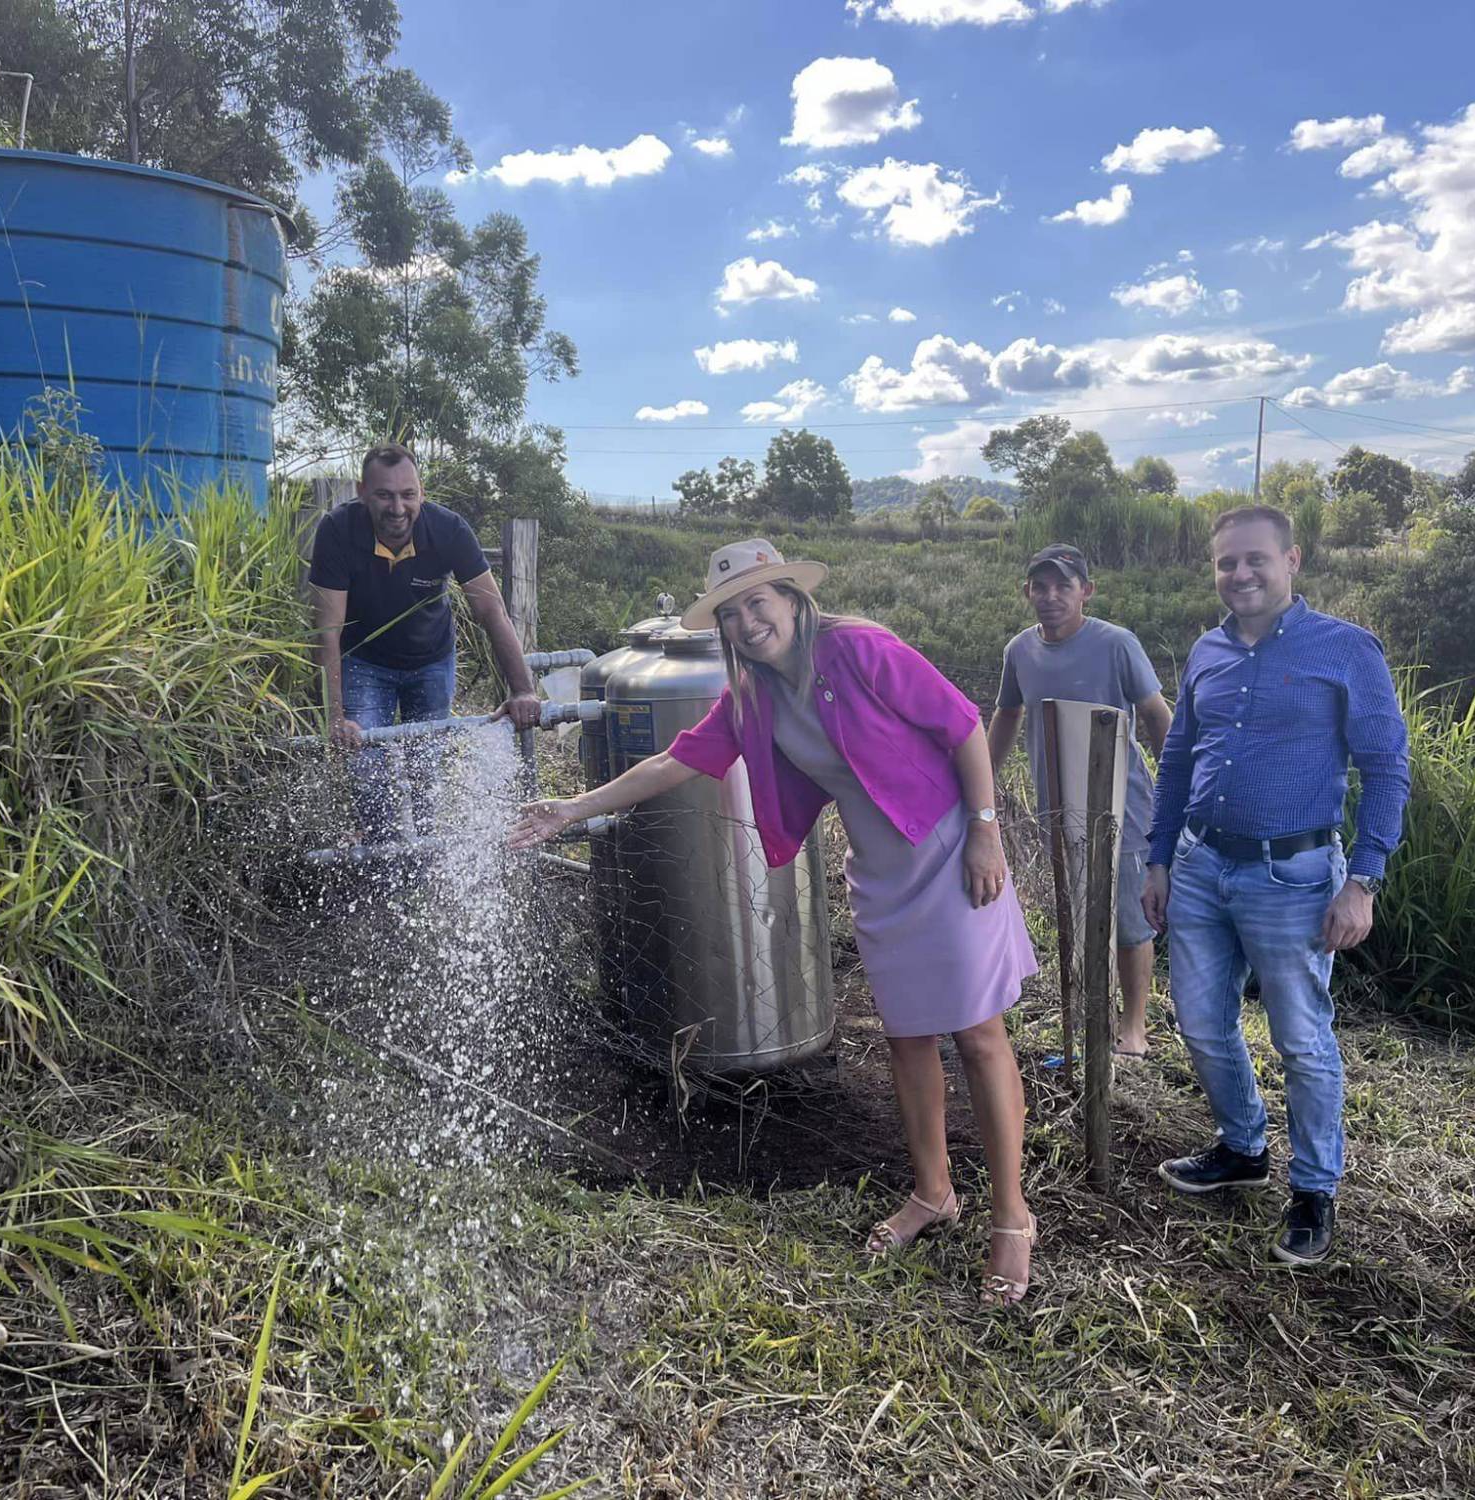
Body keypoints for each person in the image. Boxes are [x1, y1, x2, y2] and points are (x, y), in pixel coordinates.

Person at [508, 540, 1043, 1308]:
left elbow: (961, 723)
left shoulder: (859, 649)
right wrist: (571, 807)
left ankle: (1012, 1217)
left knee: (978, 1037)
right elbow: (675, 762)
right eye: (732, 613)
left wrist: (987, 828)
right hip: (880, 876)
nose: (749, 620)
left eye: (760, 602)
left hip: (950, 854)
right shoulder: (752, 696)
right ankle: (933, 1191)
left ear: (793, 599)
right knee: (907, 1038)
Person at [1142, 504, 1410, 1265]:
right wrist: (1160, 858)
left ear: (1292, 561)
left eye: (1256, 559)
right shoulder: (1207, 651)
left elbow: (1387, 767)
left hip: (1292, 876)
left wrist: (1363, 880)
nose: (1240, 574)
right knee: (1200, 1022)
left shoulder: (1345, 650)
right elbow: (1180, 759)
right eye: (1227, 562)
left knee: (1301, 1037)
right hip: (1200, 867)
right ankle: (1242, 1145)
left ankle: (1315, 1190)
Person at [988, 543, 1173, 1058]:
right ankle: (1089, 1023)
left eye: (1062, 586)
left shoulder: (1117, 644)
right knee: (1080, 913)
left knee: (1131, 917)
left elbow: (1157, 716)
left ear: (1085, 592)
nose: (1050, 596)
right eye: (1039, 586)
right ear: (1027, 591)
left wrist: (1179, 794)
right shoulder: (1019, 651)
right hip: (1059, 805)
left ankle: (1133, 1029)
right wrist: (980, 783)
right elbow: (1007, 716)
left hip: (1125, 805)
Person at [308, 444, 541, 839]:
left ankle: (425, 854)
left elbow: (491, 611)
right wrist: (335, 717)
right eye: (384, 495)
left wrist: (522, 690)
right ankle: (383, 861)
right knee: (367, 768)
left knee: (424, 764)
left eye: (407, 495)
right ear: (363, 492)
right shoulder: (337, 530)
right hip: (365, 660)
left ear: (422, 493)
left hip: (431, 658)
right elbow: (326, 629)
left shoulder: (448, 529)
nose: (397, 508)